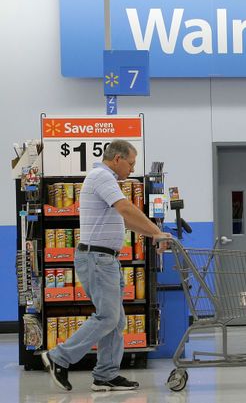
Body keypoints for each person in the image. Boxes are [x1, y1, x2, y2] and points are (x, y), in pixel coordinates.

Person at [42, 140, 171, 392]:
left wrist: (155, 234)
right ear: (117, 159)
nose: (132, 169)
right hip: (97, 259)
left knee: (117, 320)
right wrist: (157, 232)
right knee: (108, 317)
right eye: (131, 163)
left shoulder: (107, 180)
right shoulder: (102, 176)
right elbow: (125, 207)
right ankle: (59, 357)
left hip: (105, 259)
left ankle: (105, 375)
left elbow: (127, 221)